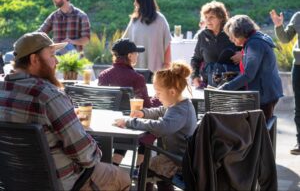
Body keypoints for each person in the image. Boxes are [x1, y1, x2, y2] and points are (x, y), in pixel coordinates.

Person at [0, 32, 131, 191]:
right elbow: (86, 156)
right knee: (122, 177)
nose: (56, 61)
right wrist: (96, 150)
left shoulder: (3, 91)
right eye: (52, 55)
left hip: (12, 182)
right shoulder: (49, 97)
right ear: (34, 59)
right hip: (61, 183)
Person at [115, 61, 197, 191]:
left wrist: (130, 122)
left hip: (179, 162)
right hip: (175, 156)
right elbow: (160, 111)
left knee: (146, 168)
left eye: (158, 93)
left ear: (172, 92)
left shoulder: (181, 110)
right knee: (150, 167)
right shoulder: (178, 105)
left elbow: (162, 126)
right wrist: (143, 113)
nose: (155, 96)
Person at [98, 38, 160, 175]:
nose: (137, 55)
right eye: (136, 53)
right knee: (152, 123)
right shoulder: (137, 78)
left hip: (109, 125)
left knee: (130, 120)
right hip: (129, 127)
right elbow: (146, 107)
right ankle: (139, 169)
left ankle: (114, 165)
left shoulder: (103, 75)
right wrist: (158, 99)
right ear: (130, 56)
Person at [220, 14, 283, 121]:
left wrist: (225, 89)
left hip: (265, 95)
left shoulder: (254, 44)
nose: (231, 39)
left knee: (260, 130)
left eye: (232, 36)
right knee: (260, 129)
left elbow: (249, 74)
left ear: (240, 33)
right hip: (268, 91)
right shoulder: (256, 38)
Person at [190, 0, 241, 88]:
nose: (208, 20)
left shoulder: (233, 32)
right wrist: (195, 76)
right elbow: (196, 59)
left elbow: (251, 51)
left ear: (221, 18)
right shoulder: (202, 35)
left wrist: (243, 54)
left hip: (232, 84)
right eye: (206, 17)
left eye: (212, 17)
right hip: (209, 84)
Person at [270, 10, 300, 155]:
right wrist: (279, 26)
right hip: (299, 67)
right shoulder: (298, 16)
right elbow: (285, 38)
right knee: (299, 106)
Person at [123, 0, 172, 74]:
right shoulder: (134, 20)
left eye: (136, 0)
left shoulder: (160, 20)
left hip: (156, 70)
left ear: (143, 2)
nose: (134, 3)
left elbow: (167, 43)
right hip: (136, 69)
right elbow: (124, 41)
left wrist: (167, 65)